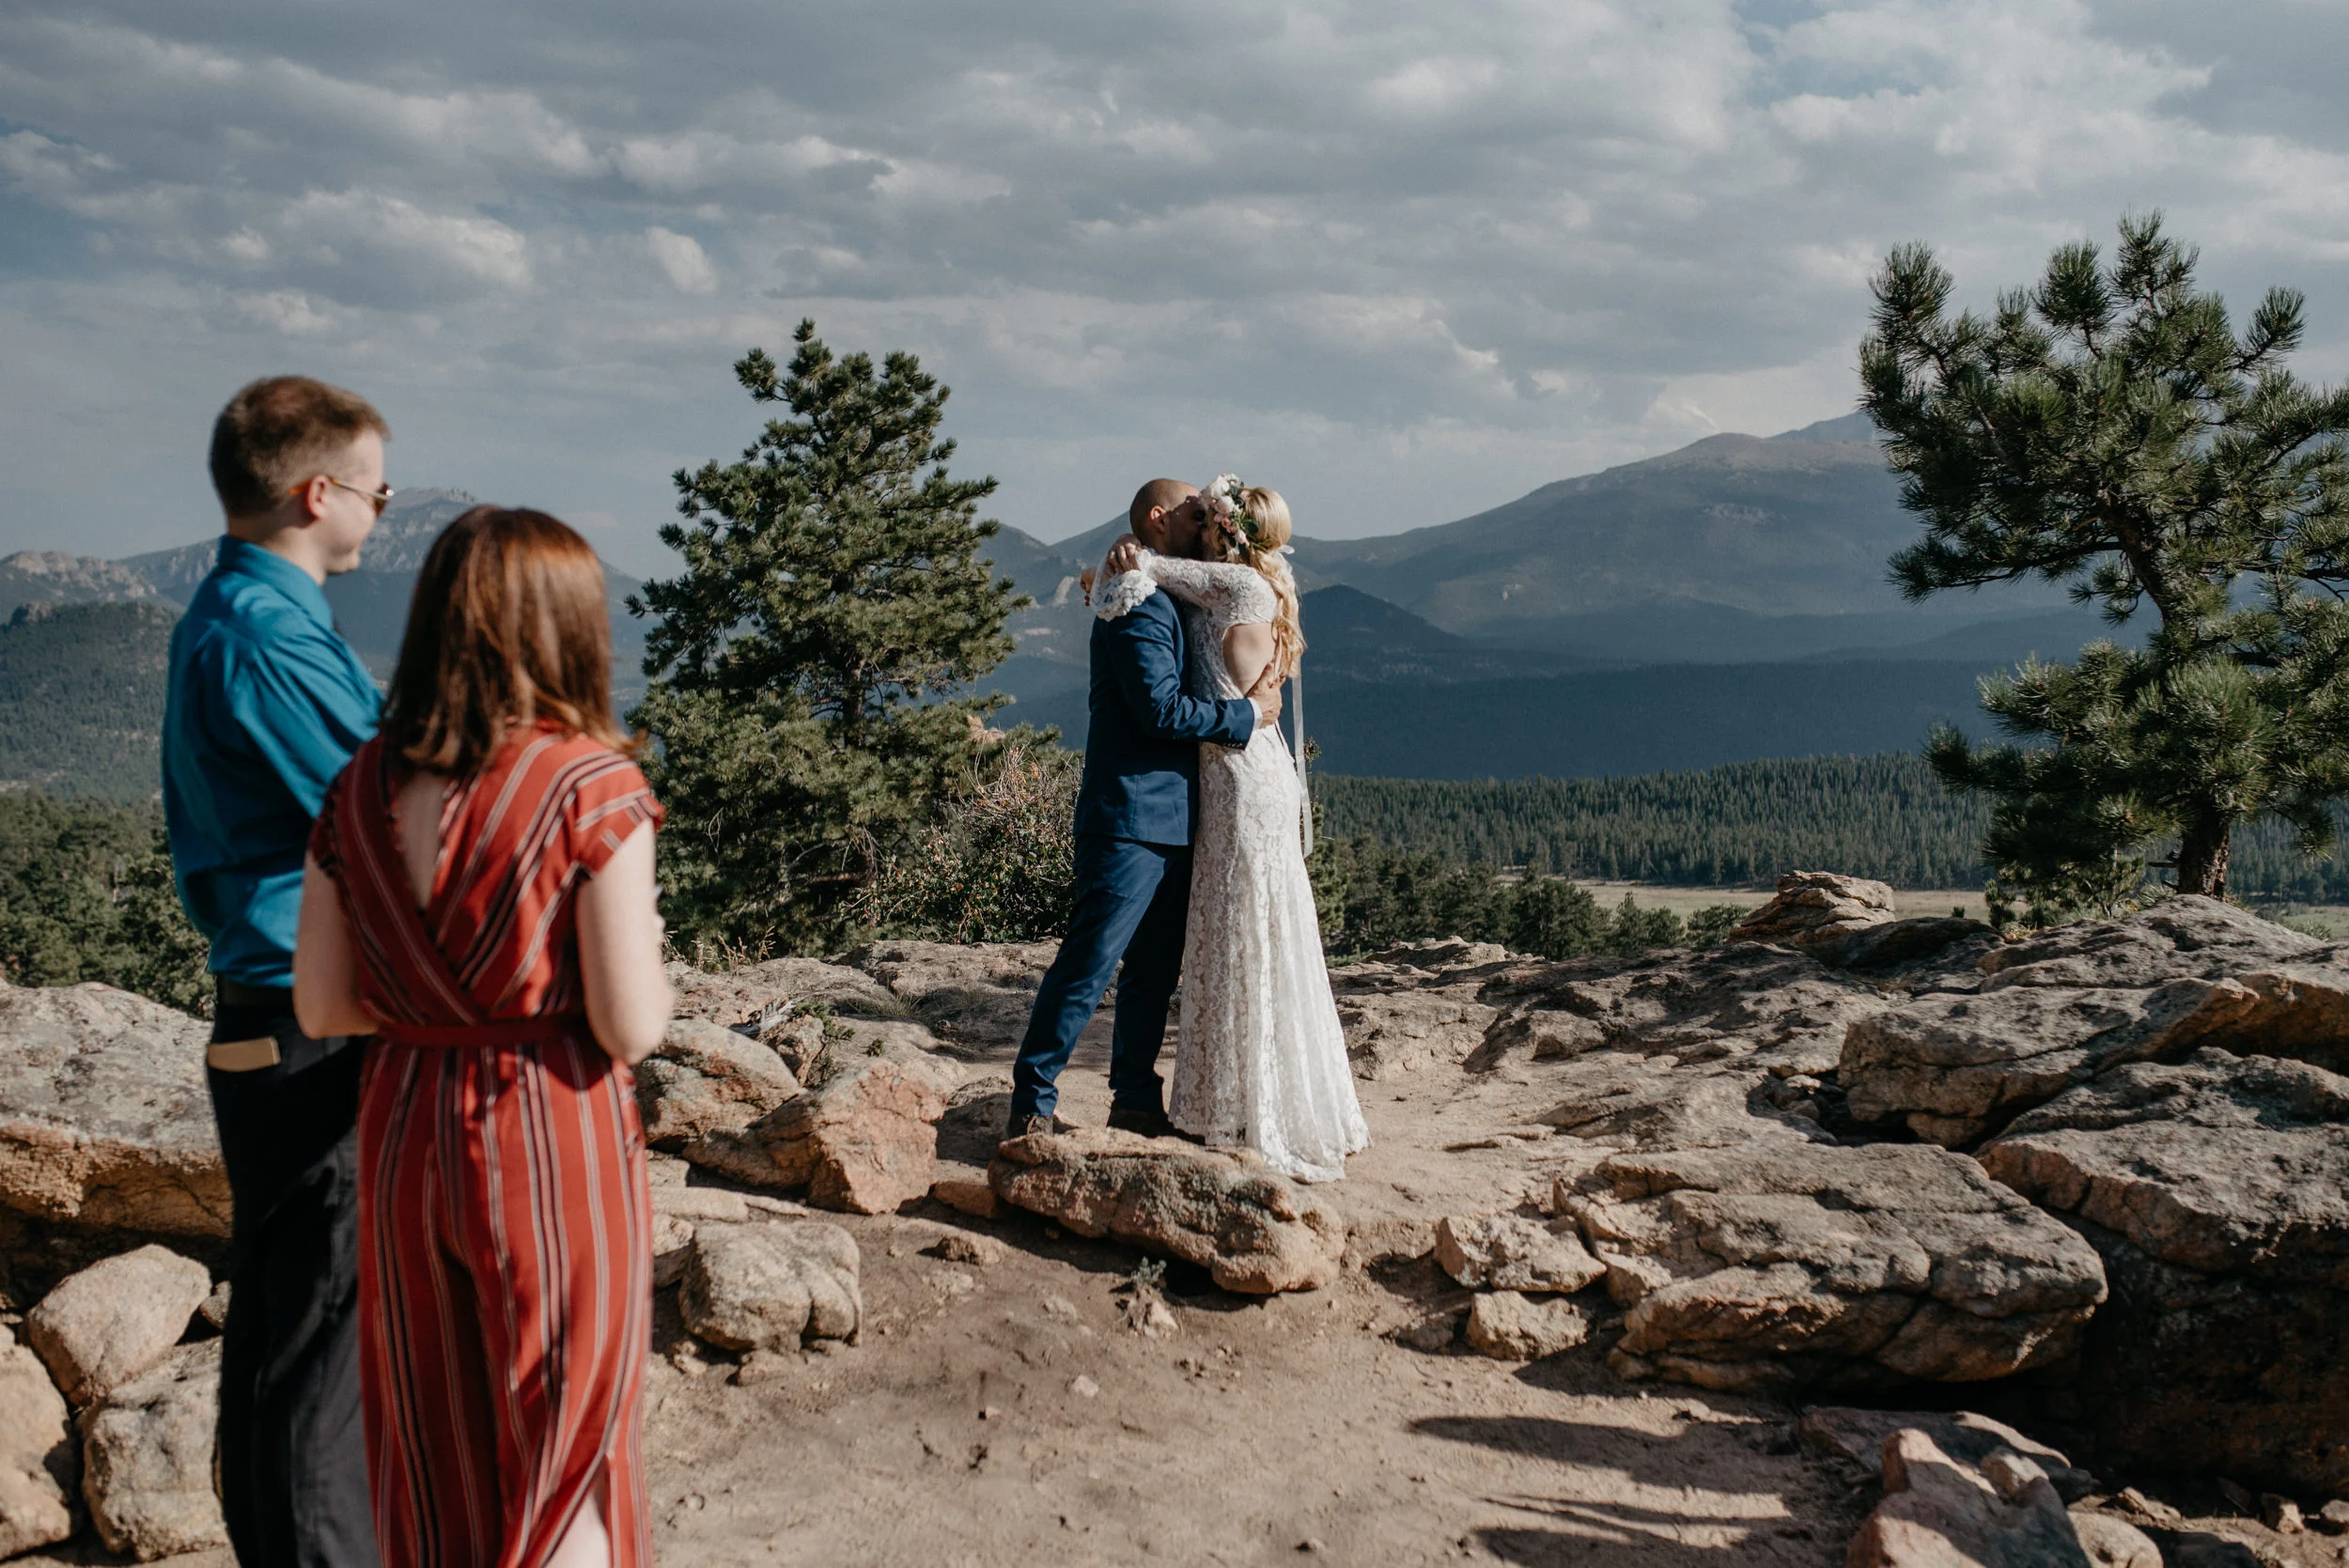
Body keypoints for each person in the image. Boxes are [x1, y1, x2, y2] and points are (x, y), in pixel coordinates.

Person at [292, 506, 670, 1568]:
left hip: (404, 1122)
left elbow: (320, 1005)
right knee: (567, 1452)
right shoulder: (589, 786)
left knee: (432, 1448)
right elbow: (629, 1023)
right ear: (569, 628)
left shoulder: (357, 787)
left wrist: (435, 1011)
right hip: (546, 1129)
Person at [163, 375, 390, 1566]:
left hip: (270, 1015)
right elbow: (383, 819)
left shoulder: (244, 614)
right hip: (312, 1027)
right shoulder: (266, 633)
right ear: (320, 492)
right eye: (378, 490)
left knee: (280, 1326)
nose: (381, 513)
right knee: (322, 1352)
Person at [1092, 476, 1368, 1180]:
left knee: (1240, 933)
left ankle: (1242, 1101)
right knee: (1244, 932)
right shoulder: (1244, 589)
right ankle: (1249, 1094)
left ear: (1225, 528)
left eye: (1205, 513)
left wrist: (1129, 551)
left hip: (1241, 777)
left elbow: (1148, 568)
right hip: (1241, 773)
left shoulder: (1236, 589)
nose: (1198, 521)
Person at [1004, 478, 1283, 1142]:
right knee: (1091, 960)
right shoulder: (1134, 602)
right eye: (1194, 511)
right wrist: (1246, 715)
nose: (1205, 518)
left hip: (1178, 814)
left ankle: (1134, 1097)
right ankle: (1030, 1103)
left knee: (1153, 972)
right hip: (1128, 813)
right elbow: (1158, 710)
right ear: (1159, 519)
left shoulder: (1156, 586)